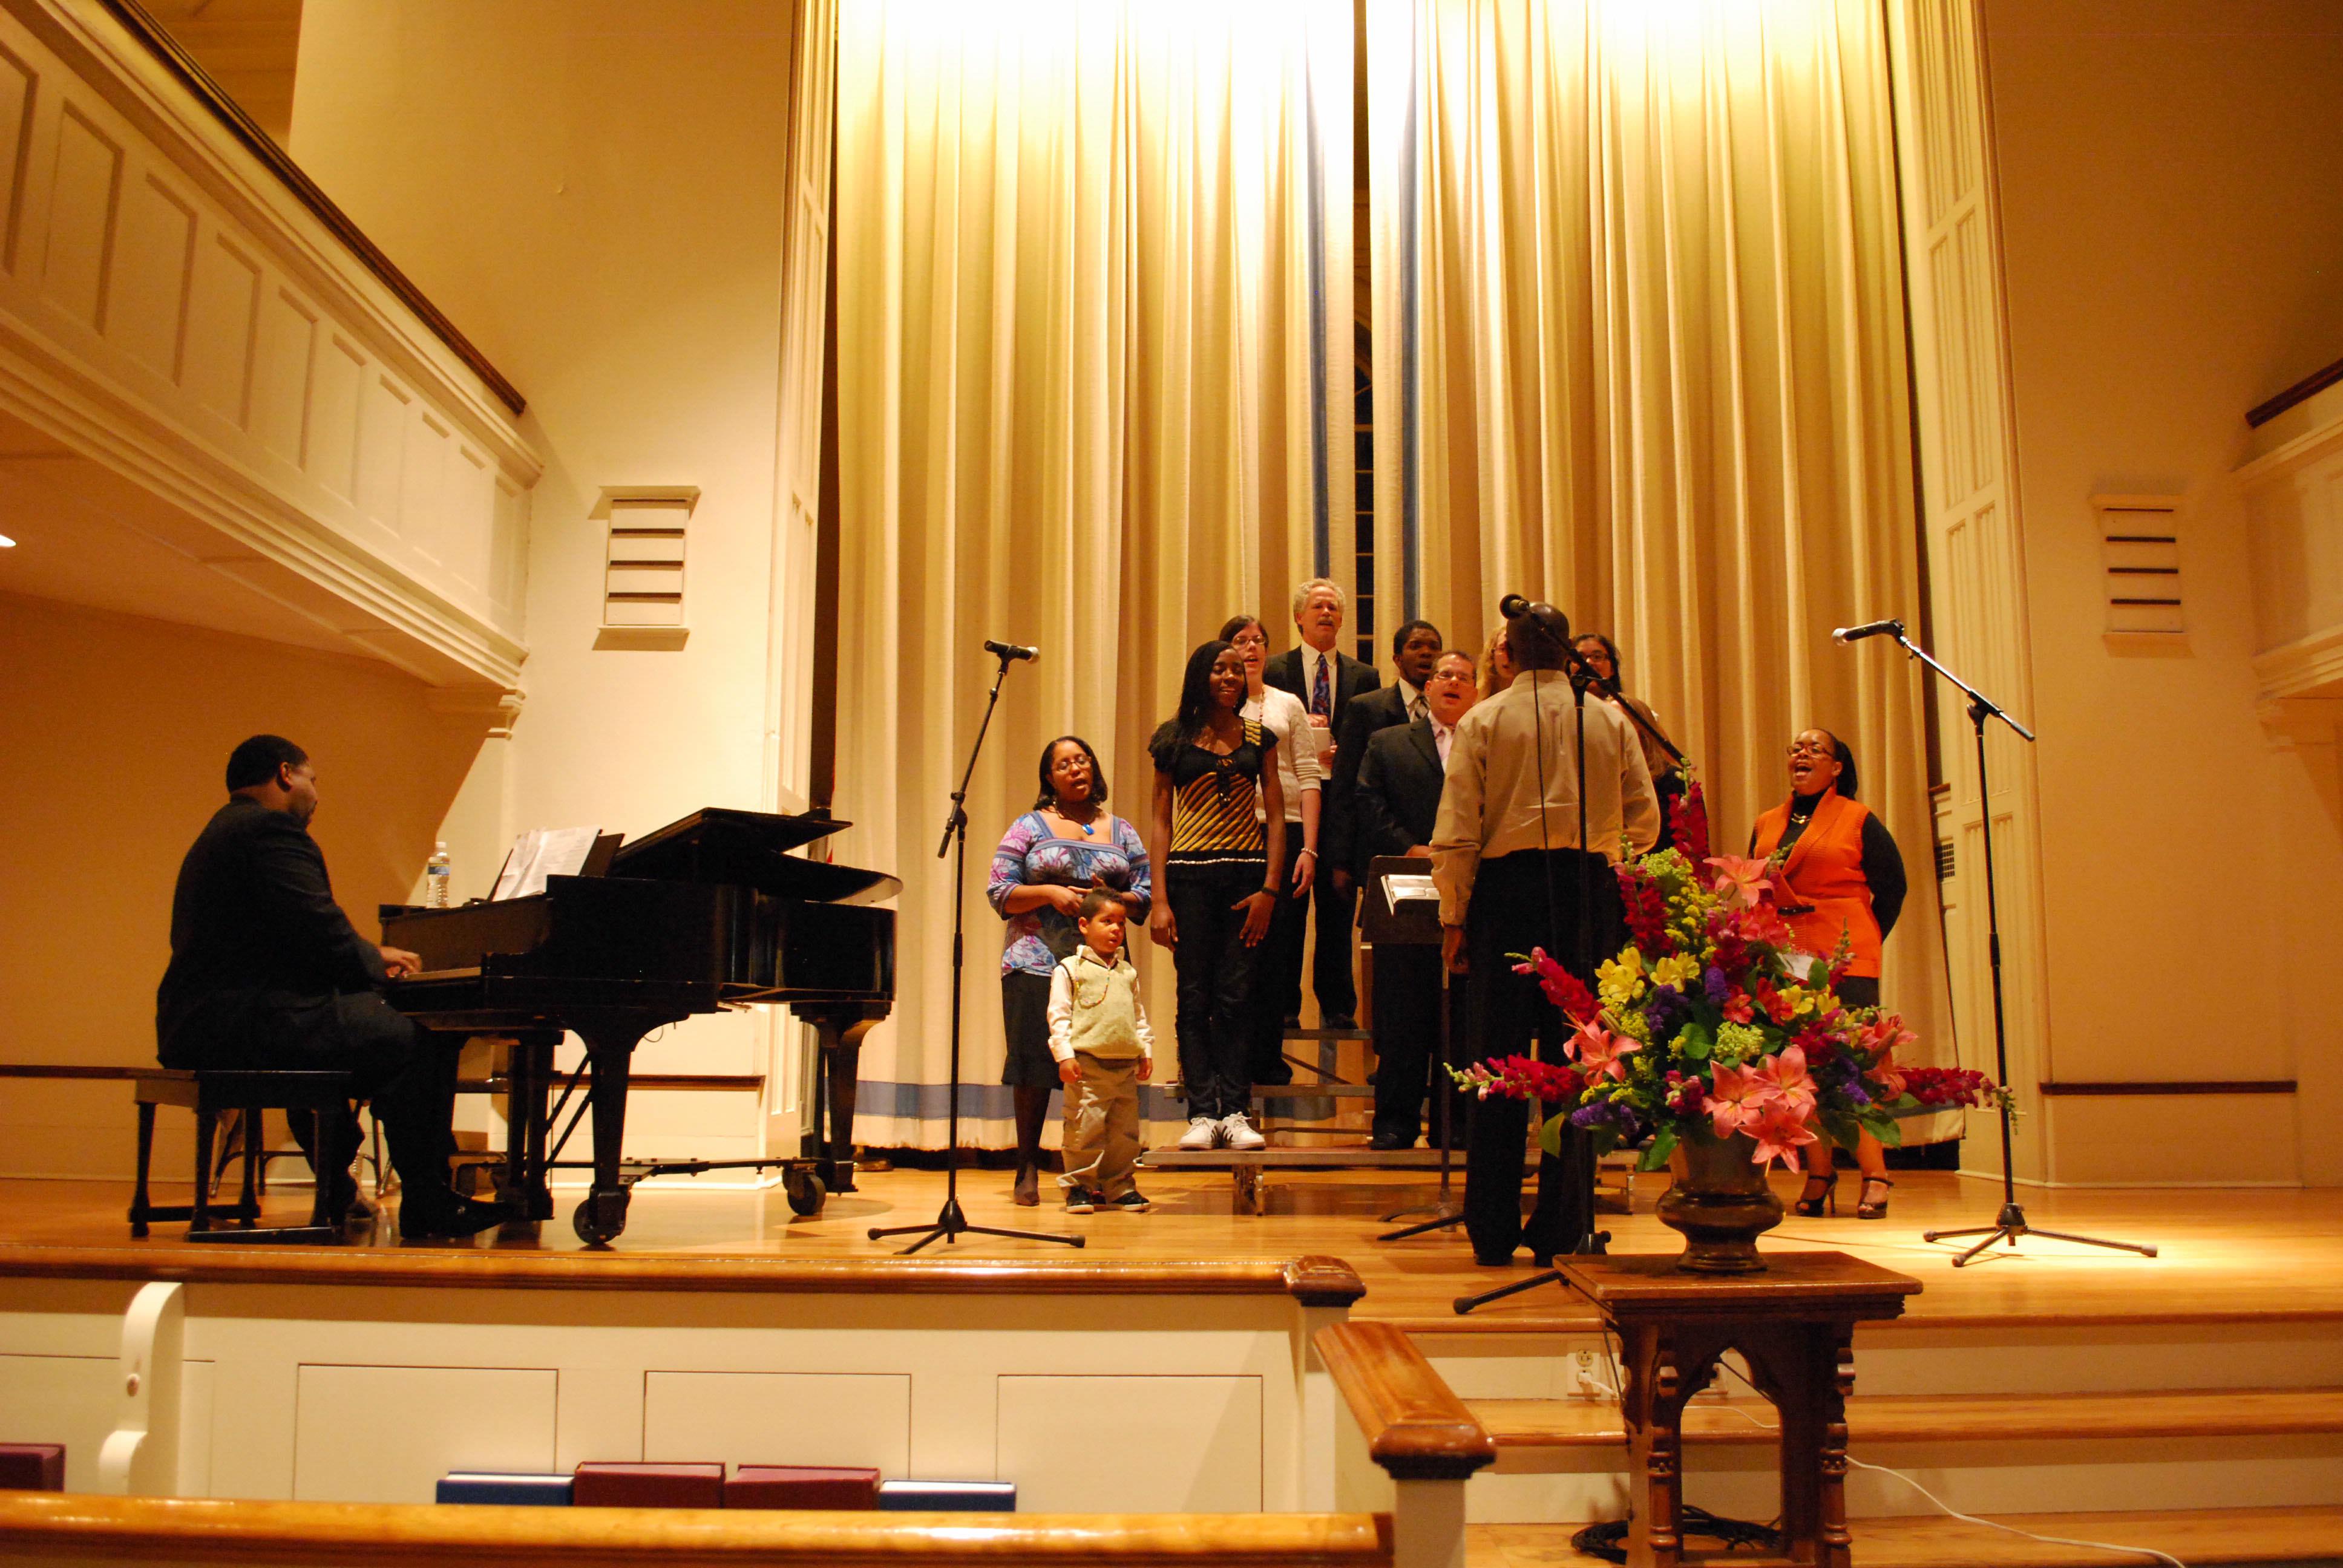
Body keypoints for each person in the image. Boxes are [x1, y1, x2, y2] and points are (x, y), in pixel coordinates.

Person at [155, 735, 503, 1240]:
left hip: (206, 1019)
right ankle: (428, 1200)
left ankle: (337, 1187)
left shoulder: (223, 830)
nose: (316, 794)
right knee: (413, 1040)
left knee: (340, 1032)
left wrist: (364, 962)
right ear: (284, 774)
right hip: (244, 1020)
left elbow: (286, 935)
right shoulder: (270, 830)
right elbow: (318, 928)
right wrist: (372, 966)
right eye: (312, 780)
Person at [1431, 603, 1661, 1266]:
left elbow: (1457, 831)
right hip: (1588, 892)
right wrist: (1604, 853)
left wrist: (1453, 918)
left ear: (1507, 653)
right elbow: (1644, 822)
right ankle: (1564, 1225)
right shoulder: (1609, 720)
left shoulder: (1483, 719)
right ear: (1565, 653)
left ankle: (1492, 1228)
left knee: (1499, 1066)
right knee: (1581, 1063)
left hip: (1503, 894)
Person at [1749, 728, 1909, 1220]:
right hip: (1786, 955)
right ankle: (1820, 1171)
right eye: (1795, 747)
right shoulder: (1767, 822)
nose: (1801, 753)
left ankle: (1876, 1174)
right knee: (1797, 1071)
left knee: (1854, 1066)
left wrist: (1858, 940)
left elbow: (1894, 887)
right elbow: (1754, 886)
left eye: (1815, 749)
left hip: (1844, 952)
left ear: (1837, 767)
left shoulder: (1857, 818)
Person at [988, 736, 1153, 1206]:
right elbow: (999, 889)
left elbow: (1144, 894)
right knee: (1035, 1066)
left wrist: (1116, 898)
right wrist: (1050, 893)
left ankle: (1098, 1173)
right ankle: (1027, 1169)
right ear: (1049, 777)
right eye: (1063, 764)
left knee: (1104, 1070)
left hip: (1102, 969)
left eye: (1082, 760)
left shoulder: (1119, 829)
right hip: (1036, 959)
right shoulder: (1029, 825)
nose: (1075, 769)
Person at [1149, 641, 1285, 1151]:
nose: (1229, 677)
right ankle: (1202, 1113)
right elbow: (1161, 820)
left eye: (1237, 670)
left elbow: (1275, 817)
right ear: (1199, 676)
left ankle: (1236, 1109)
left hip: (1247, 881)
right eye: (1218, 669)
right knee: (1194, 996)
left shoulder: (1261, 737)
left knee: (1237, 996)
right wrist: (1159, 899)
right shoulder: (1173, 739)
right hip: (1189, 880)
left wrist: (1270, 889)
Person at [1354, 648, 1478, 1148]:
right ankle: (1394, 1122)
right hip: (1405, 890)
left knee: (1466, 1017)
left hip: (1472, 894)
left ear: (1476, 692)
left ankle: (1460, 1124)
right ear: (1427, 689)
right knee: (1403, 1014)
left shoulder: (1489, 744)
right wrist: (1409, 845)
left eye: (1464, 678)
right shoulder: (1388, 743)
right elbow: (1366, 800)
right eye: (1443, 674)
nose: (1452, 682)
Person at [1263, 578, 1379, 1028]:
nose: (1326, 613)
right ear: (1299, 617)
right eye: (1317, 607)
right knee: (1289, 910)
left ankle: (1337, 1006)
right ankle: (1285, 1005)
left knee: (1337, 906)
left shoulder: (1363, 676)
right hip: (1292, 800)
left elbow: (1372, 742)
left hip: (1342, 802)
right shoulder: (1276, 669)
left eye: (1333, 607)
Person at [1221, 615, 1322, 1086]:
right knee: (1237, 948)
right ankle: (1233, 1058)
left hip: (1289, 834)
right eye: (1241, 641)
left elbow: (1308, 774)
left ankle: (1268, 1054)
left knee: (1279, 950)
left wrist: (1311, 850)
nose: (1251, 648)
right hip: (1233, 834)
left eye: (1259, 640)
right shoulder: (1217, 706)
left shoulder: (1288, 704)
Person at [1049, 890, 1157, 1214]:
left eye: (1121, 924)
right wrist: (1065, 1055)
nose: (1115, 930)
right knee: (1085, 1127)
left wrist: (1145, 1049)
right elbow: (1059, 1015)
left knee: (1124, 1132)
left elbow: (1138, 1016)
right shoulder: (1069, 969)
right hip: (1088, 1065)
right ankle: (1080, 1186)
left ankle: (1120, 1186)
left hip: (1124, 1065)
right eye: (1106, 921)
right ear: (1084, 925)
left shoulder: (1127, 972)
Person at [1326, 620, 1444, 896]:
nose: (1426, 653)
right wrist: (1340, 860)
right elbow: (1345, 788)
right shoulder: (1366, 708)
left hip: (1441, 850)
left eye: (1434, 647)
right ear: (1397, 658)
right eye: (1416, 646)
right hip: (1383, 848)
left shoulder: (1453, 709)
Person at [1573, 633, 1685, 851]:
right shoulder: (1561, 713)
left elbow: (1665, 760)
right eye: (1580, 657)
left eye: (1597, 656)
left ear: (1612, 667)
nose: (1588, 663)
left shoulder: (1629, 709)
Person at [1476, 621, 1519, 701]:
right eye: (1503, 649)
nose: (1509, 655)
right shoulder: (1478, 695)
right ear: (1492, 655)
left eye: (1513, 649)